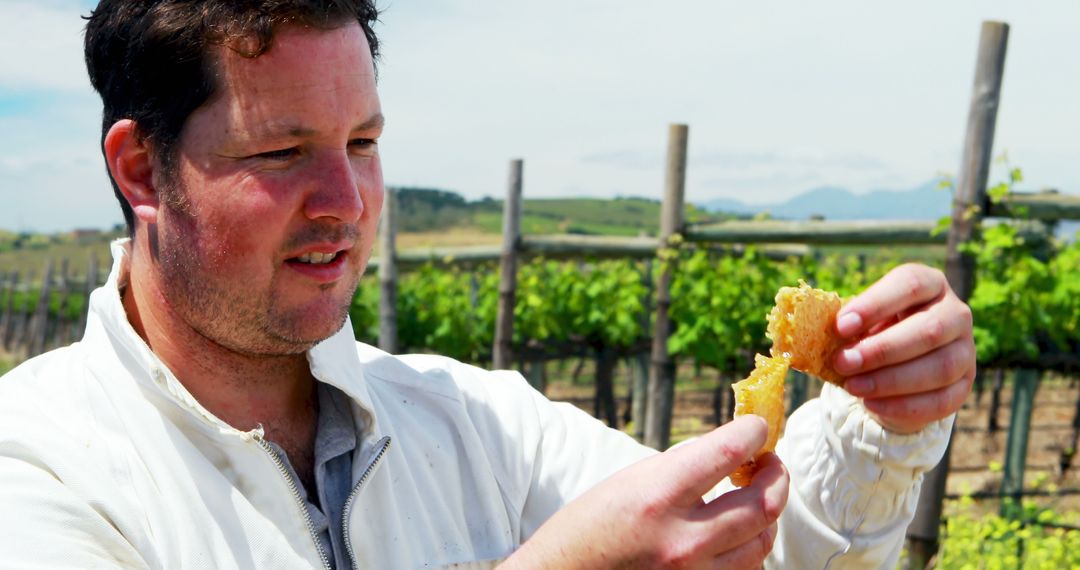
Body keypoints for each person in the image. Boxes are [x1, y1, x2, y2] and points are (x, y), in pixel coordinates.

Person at [0, 1, 975, 568]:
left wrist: (883, 417)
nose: (345, 200)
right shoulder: (36, 469)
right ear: (140, 171)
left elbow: (762, 548)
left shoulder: (471, 421)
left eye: (365, 142)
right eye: (284, 149)